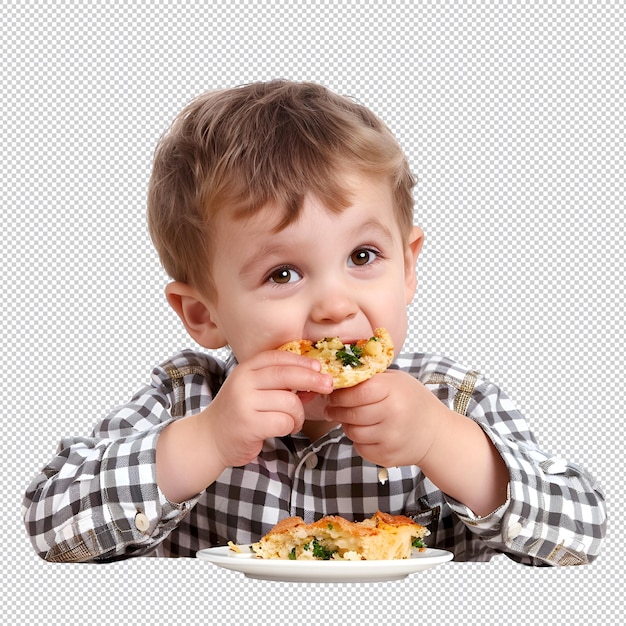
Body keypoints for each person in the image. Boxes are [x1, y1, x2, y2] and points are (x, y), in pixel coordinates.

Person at [23, 80, 606, 565]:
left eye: (362, 257)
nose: (334, 305)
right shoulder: (189, 399)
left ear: (408, 267)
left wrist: (445, 445)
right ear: (203, 313)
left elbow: (582, 533)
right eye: (282, 274)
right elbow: (50, 524)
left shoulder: (451, 398)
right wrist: (202, 442)